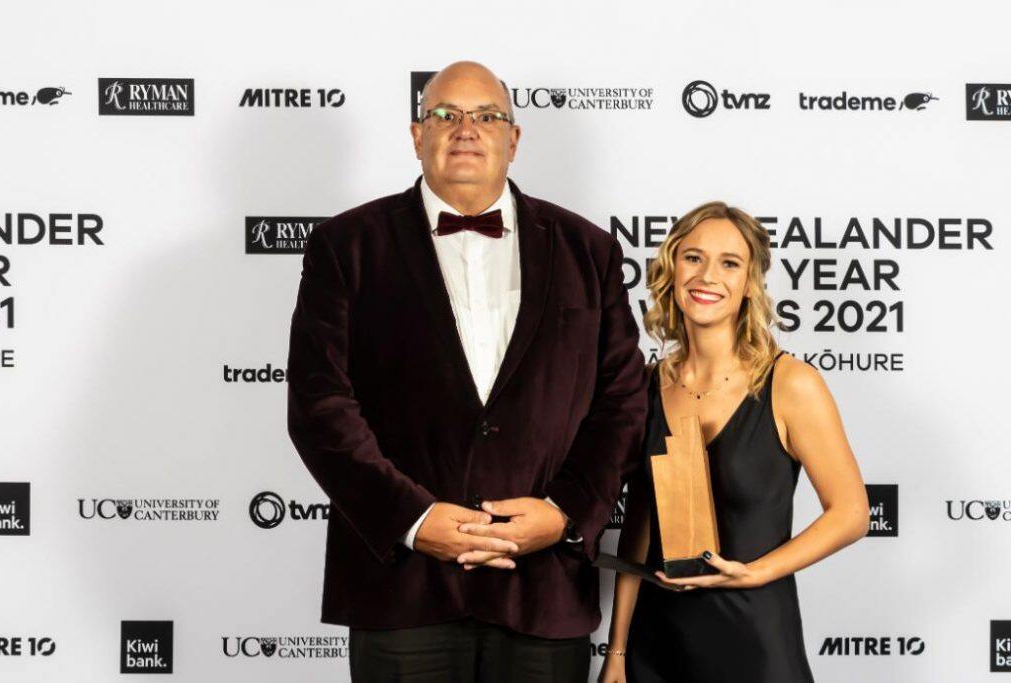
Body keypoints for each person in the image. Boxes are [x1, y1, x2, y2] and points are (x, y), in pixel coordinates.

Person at [286, 61, 647, 682]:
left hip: (542, 591)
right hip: (402, 590)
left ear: (514, 138)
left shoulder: (588, 249)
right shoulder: (345, 246)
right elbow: (321, 407)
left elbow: (622, 403)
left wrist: (564, 513)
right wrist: (413, 519)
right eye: (445, 115)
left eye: (486, 116)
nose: (466, 129)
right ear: (416, 134)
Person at [599, 202, 870, 683]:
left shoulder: (790, 383)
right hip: (656, 649)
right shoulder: (646, 385)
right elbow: (639, 527)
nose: (707, 276)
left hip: (755, 645)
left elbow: (851, 514)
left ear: (750, 283)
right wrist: (617, 652)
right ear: (671, 268)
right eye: (693, 258)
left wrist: (757, 572)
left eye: (729, 263)